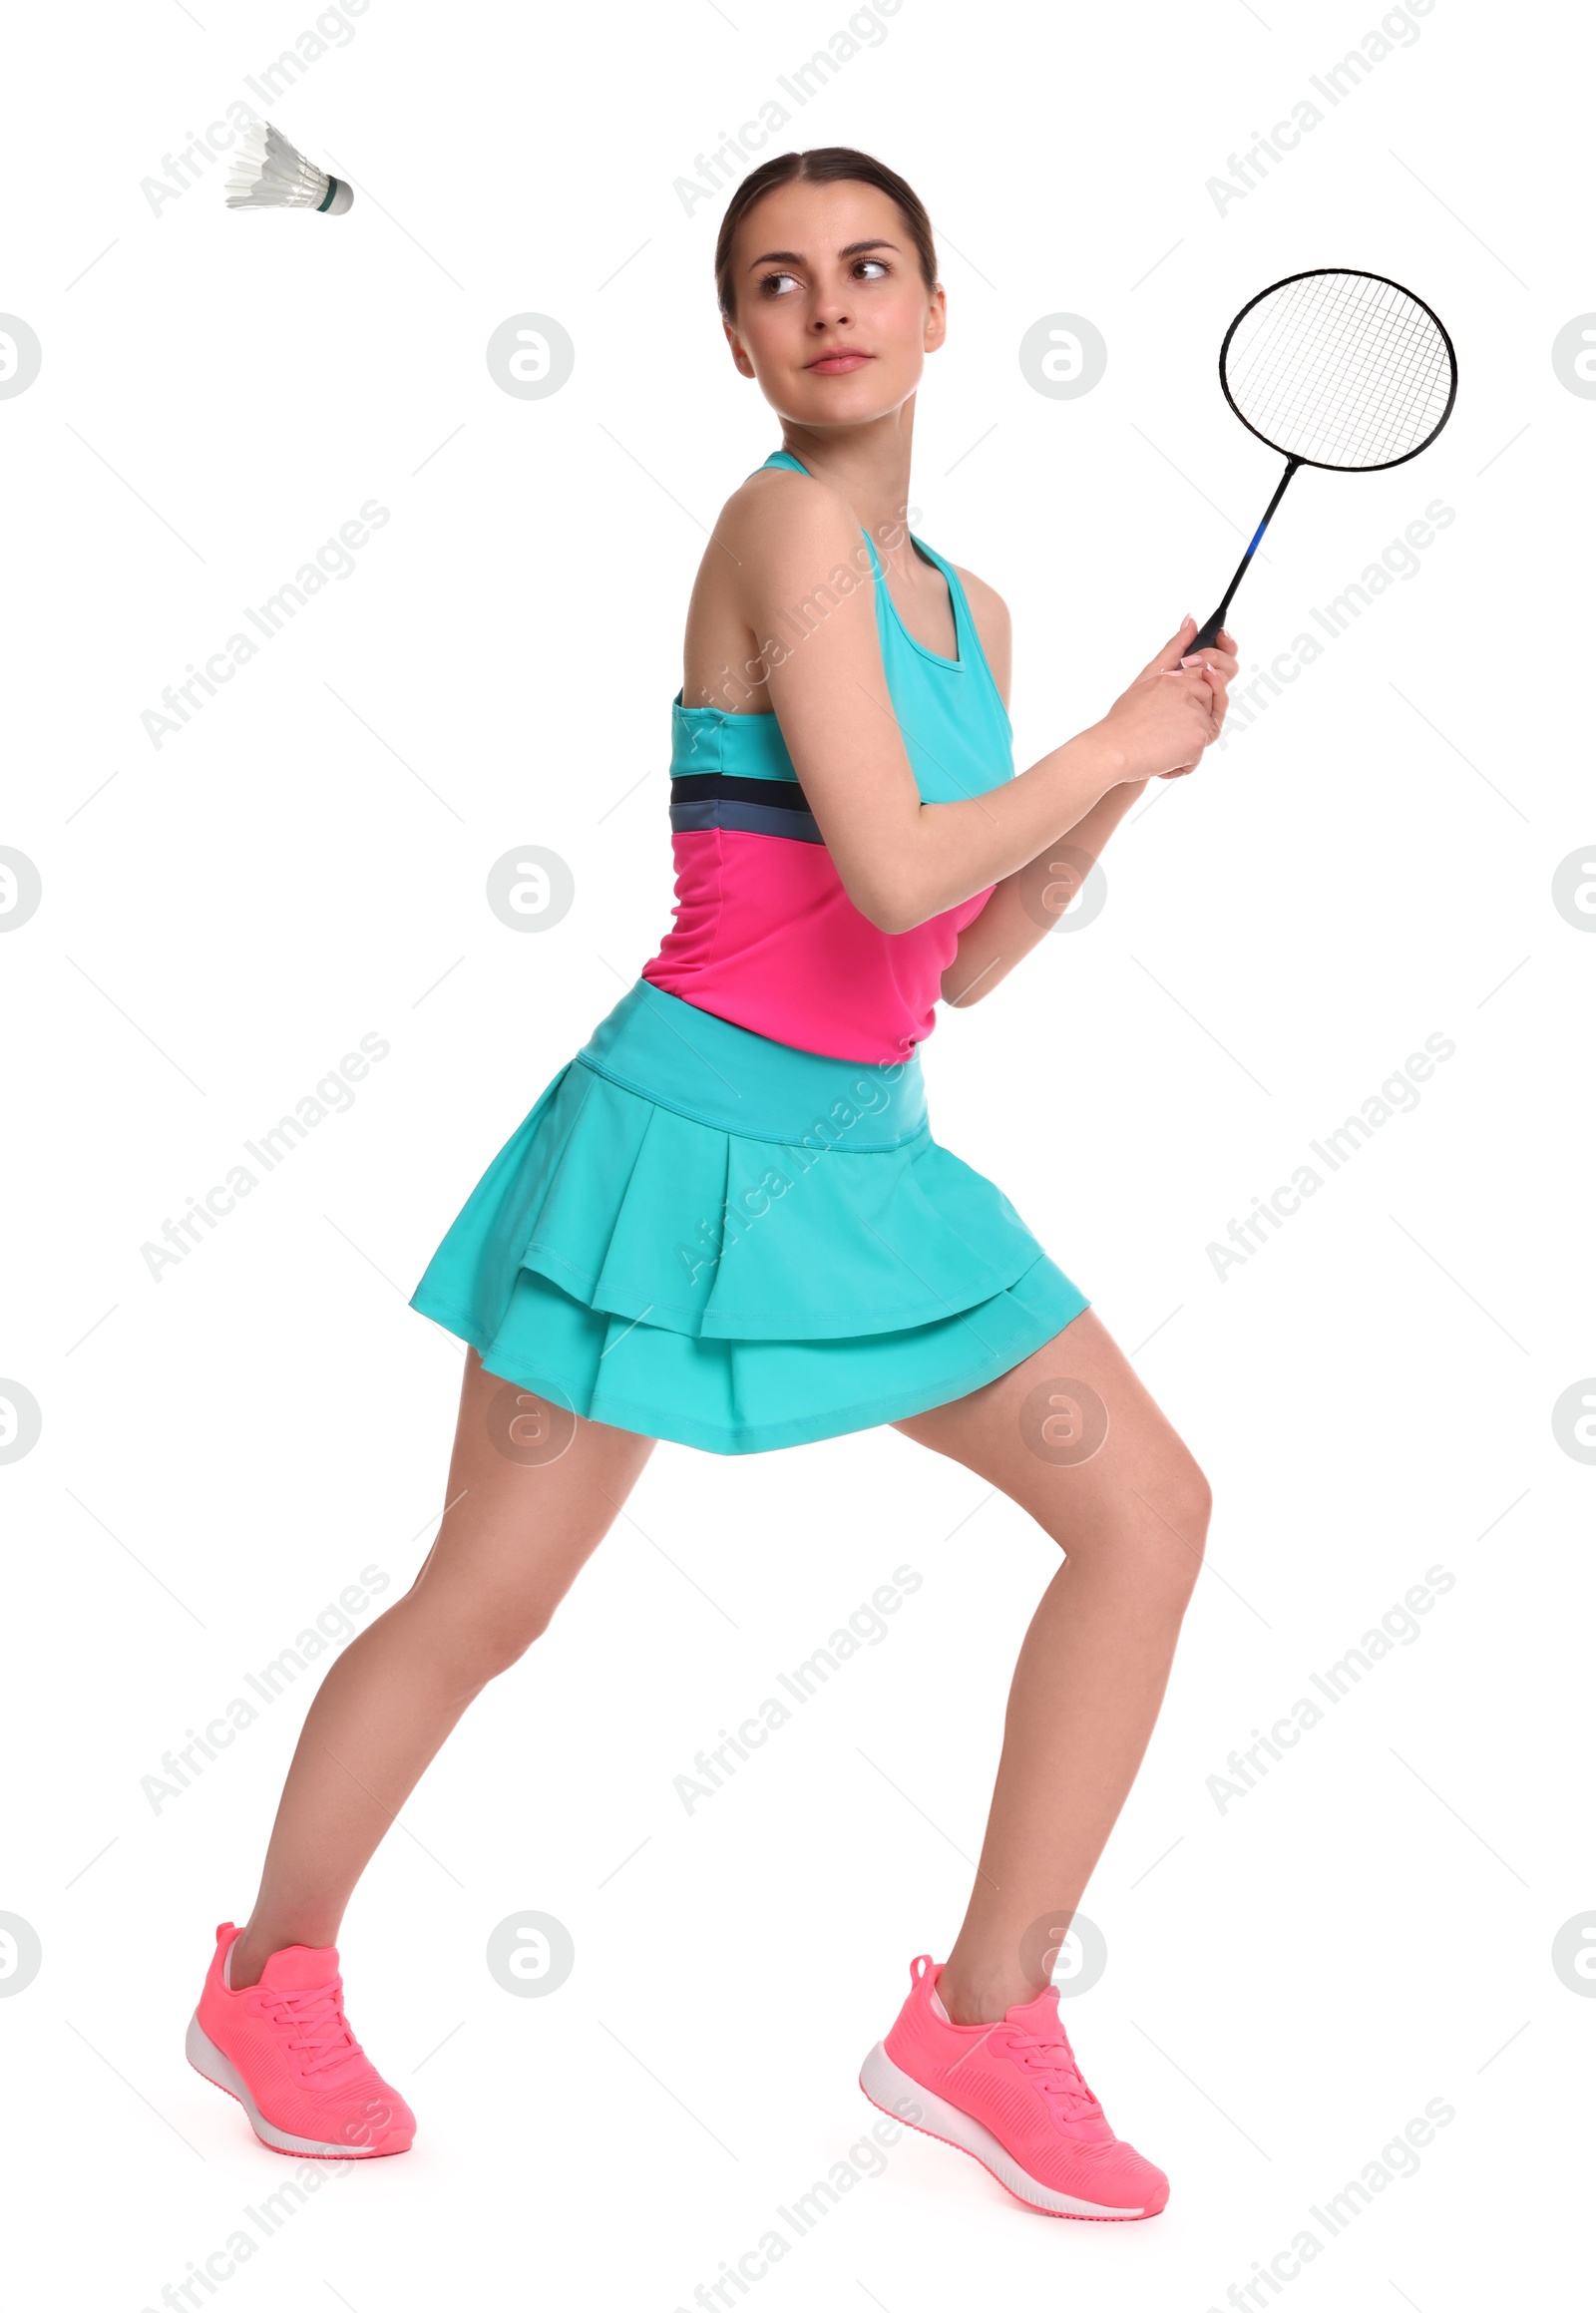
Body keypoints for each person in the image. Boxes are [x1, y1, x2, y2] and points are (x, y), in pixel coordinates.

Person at [186, 146, 1235, 2219]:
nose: (826, 304)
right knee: (486, 1599)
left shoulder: (972, 607)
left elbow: (955, 952)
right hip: (662, 1154)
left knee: (1144, 1507)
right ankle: (266, 1973)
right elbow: (889, 863)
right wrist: (1107, 749)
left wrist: (1134, 768)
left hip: (868, 1159)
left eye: (867, 268)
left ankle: (979, 2016)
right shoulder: (774, 533)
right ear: (737, 342)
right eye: (775, 280)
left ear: (939, 309)